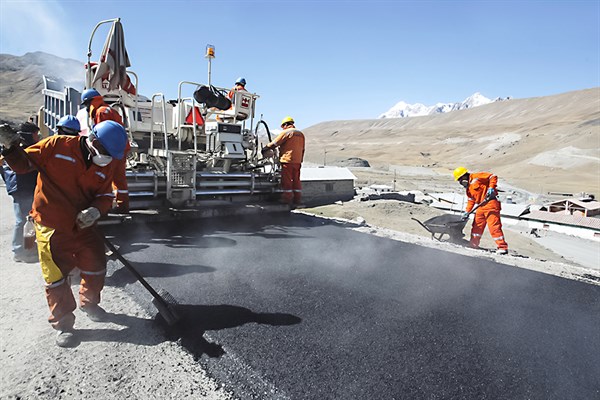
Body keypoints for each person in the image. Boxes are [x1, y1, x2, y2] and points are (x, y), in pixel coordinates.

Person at [0, 120, 128, 347]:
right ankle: (64, 324)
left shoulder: (106, 164)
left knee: (96, 266)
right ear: (94, 141)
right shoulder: (57, 146)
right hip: (52, 226)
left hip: (84, 226)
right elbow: (22, 165)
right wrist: (10, 147)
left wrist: (96, 210)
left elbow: (106, 195)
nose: (107, 158)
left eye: (112, 155)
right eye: (106, 152)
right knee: (56, 278)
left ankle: (90, 303)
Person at [81, 89, 129, 213]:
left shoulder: (100, 112)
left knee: (105, 178)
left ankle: (104, 206)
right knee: (119, 179)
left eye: (86, 105)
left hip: (110, 149)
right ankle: (122, 205)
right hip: (120, 148)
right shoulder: (110, 110)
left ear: (90, 102)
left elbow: (103, 134)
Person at [0, 122, 39, 262]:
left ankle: (26, 247)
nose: (38, 136)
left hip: (18, 186)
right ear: (29, 135)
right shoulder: (24, 149)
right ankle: (19, 250)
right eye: (36, 134)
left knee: (24, 219)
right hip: (22, 187)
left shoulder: (12, 147)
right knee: (22, 219)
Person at [453, 166, 509, 255]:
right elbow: (471, 201)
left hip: (490, 204)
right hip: (480, 206)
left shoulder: (477, 176)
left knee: (494, 227)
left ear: (464, 176)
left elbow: (492, 176)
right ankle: (473, 245)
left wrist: (491, 187)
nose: (460, 182)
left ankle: (502, 247)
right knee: (476, 227)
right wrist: (467, 211)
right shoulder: (468, 189)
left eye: (460, 179)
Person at [262, 116, 305, 207]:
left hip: (287, 161)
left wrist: (266, 148)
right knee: (296, 180)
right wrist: (300, 159)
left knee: (287, 181)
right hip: (297, 161)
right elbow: (303, 149)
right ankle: (297, 201)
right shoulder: (301, 134)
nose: (283, 128)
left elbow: (275, 143)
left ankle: (287, 200)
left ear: (285, 125)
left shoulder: (286, 132)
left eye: (283, 126)